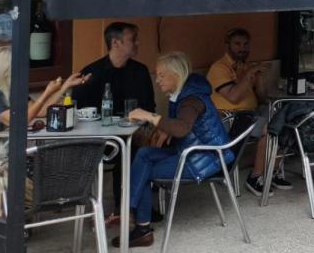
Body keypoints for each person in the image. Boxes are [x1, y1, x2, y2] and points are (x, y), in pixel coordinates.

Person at [115, 52, 231, 248]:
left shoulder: (192, 99)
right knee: (143, 154)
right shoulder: (181, 94)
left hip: (204, 158)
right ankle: (131, 213)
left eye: (161, 75)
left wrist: (150, 116)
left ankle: (138, 225)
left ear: (177, 75)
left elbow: (182, 127)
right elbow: (180, 127)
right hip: (191, 151)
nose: (157, 80)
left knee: (143, 172)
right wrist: (166, 130)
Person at [72, 22, 156, 222]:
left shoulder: (140, 71)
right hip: (99, 139)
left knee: (136, 151)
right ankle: (126, 209)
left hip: (134, 135)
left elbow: (150, 107)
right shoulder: (92, 73)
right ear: (116, 43)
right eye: (132, 39)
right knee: (126, 151)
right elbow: (79, 112)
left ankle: (129, 208)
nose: (138, 43)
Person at [0, 45, 89, 213]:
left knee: (42, 163)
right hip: (1, 162)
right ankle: (34, 207)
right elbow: (18, 120)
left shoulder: (14, 92)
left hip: (12, 155)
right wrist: (46, 93)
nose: (25, 72)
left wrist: (64, 87)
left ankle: (38, 205)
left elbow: (40, 110)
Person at [206, 28, 291, 196]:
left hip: (250, 113)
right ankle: (255, 177)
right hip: (230, 119)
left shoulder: (244, 66)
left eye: (245, 44)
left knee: (285, 118)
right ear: (227, 45)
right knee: (269, 127)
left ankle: (273, 171)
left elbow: (261, 97)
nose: (242, 48)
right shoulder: (219, 68)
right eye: (237, 44)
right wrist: (249, 74)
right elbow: (234, 97)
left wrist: (257, 77)